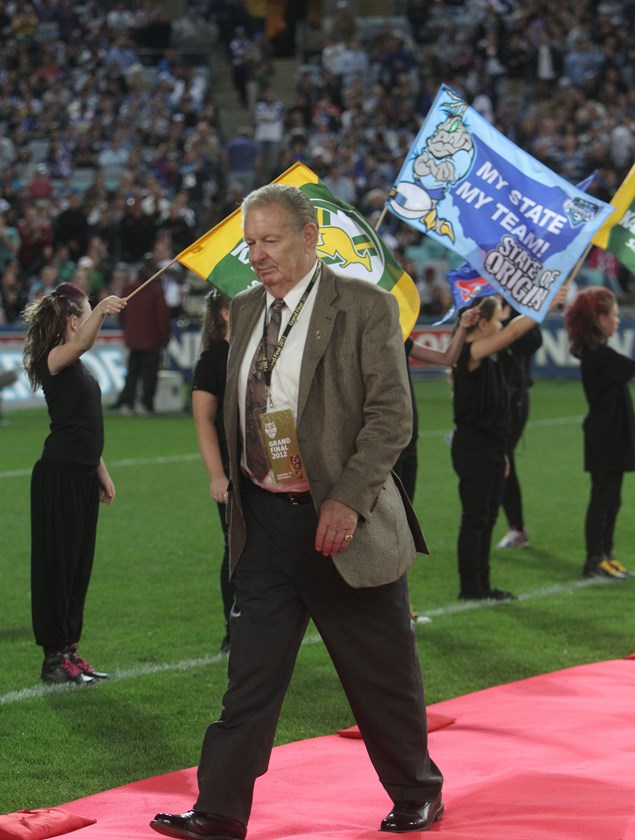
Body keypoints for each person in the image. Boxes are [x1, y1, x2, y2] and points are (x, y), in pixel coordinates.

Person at [151, 184, 443, 839]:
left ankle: (418, 790)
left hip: (343, 524)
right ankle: (220, 810)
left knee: (381, 676)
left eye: (269, 240)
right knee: (248, 680)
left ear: (310, 238)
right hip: (264, 525)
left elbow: (391, 417)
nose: (255, 255)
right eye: (248, 242)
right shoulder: (246, 308)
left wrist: (345, 499)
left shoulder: (365, 307)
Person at [21, 282, 127, 684]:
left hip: (82, 476)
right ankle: (53, 658)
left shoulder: (77, 365)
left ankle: (69, 651)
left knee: (78, 568)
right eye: (85, 315)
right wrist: (101, 308)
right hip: (58, 476)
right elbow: (81, 345)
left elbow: (82, 426)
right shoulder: (55, 358)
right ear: (72, 322)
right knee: (57, 569)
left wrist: (101, 472)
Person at [450, 292, 564, 601]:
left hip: (489, 447)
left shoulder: (488, 357)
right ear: (483, 324)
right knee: (475, 518)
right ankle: (470, 587)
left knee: (486, 517)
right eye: (499, 316)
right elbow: (515, 331)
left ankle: (482, 585)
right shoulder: (472, 351)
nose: (504, 321)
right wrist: (545, 304)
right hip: (474, 447)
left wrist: (502, 453)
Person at [563, 287, 635, 580]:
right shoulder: (597, 354)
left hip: (612, 435)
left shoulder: (597, 352)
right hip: (605, 436)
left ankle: (606, 554)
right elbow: (629, 368)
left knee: (612, 499)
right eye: (613, 315)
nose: (617, 321)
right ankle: (595, 558)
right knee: (603, 499)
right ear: (599, 318)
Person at [191, 288, 233, 654]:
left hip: (271, 468)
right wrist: (217, 475)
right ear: (225, 313)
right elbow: (204, 421)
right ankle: (233, 633)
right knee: (236, 549)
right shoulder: (213, 360)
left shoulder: (265, 351)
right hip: (234, 472)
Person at [496, 308, 543, 549]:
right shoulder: (479, 302)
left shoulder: (520, 306)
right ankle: (513, 527)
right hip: (487, 396)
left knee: (502, 459)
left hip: (513, 395)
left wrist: (508, 317)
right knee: (499, 460)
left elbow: (534, 341)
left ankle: (515, 527)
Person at [111, 262, 171, 415]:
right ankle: (146, 404)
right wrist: (164, 338)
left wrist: (128, 332)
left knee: (132, 373)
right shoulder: (156, 290)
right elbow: (161, 317)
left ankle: (128, 402)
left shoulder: (129, 288)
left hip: (134, 340)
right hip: (152, 341)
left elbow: (122, 315)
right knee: (149, 376)